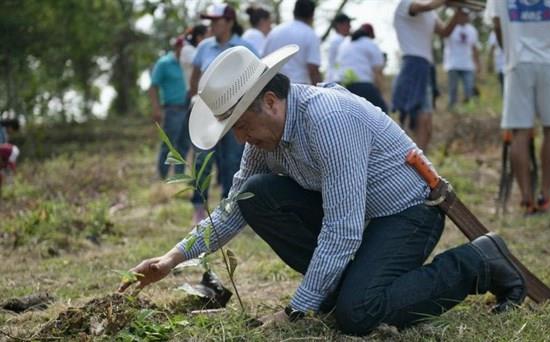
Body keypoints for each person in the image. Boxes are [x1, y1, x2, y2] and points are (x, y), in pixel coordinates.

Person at [120, 45, 526, 336]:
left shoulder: (328, 122)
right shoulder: (266, 141)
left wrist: (298, 310)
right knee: (257, 194)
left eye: (242, 126)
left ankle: (478, 262)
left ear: (272, 101)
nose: (242, 139)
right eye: (234, 132)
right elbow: (233, 207)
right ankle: (340, 288)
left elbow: (342, 229)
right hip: (362, 218)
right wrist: (172, 258)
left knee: (358, 314)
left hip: (408, 213)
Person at [486, 0, 550, 214]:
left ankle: (527, 199)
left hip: (517, 62)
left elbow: (497, 25)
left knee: (519, 131)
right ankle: (546, 196)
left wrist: (509, 50)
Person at [189, 3, 258, 222]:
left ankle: (228, 209)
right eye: (210, 22)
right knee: (202, 160)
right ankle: (199, 207)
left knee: (232, 160)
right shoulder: (204, 48)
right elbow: (195, 76)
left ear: (229, 22)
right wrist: (194, 99)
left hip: (235, 114)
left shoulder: (244, 48)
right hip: (206, 113)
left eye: (216, 21)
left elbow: (257, 76)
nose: (212, 26)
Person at [392, 0, 466, 150]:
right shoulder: (406, 4)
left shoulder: (431, 13)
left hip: (426, 66)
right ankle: (410, 162)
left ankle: (420, 162)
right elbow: (425, 6)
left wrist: (458, 11)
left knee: (426, 119)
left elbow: (445, 31)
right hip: (413, 64)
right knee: (414, 116)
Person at [148, 35, 190, 179]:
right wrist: (156, 108)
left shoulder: (187, 63)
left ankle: (179, 176)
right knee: (169, 144)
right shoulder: (164, 63)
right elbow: (153, 87)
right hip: (173, 109)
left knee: (184, 144)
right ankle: (162, 175)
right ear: (177, 48)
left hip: (188, 108)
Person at [262, 0, 322, 85]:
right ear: (312, 15)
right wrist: (322, 90)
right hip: (300, 88)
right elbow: (313, 69)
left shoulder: (275, 31)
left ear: (294, 12)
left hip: (274, 87)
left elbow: (264, 60)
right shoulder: (311, 35)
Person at [336, 23, 387, 112]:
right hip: (364, 86)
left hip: (343, 87)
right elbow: (377, 72)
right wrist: (381, 93)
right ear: (370, 35)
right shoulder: (370, 43)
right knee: (383, 113)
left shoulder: (345, 43)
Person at [443, 10, 480, 109]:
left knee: (469, 87)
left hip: (467, 64)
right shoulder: (451, 28)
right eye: (462, 14)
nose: (464, 17)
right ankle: (452, 107)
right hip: (453, 64)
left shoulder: (472, 30)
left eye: (466, 15)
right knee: (453, 88)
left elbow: (474, 47)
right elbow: (444, 34)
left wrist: (477, 63)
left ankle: (469, 107)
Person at [180, 24, 210, 90]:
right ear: (199, 37)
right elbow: (201, 62)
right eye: (208, 36)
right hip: (192, 93)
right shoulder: (187, 49)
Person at [325, 13, 352, 83]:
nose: (350, 27)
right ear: (339, 25)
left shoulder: (340, 39)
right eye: (347, 24)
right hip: (336, 79)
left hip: (336, 77)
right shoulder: (338, 40)